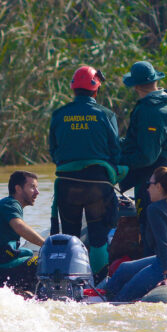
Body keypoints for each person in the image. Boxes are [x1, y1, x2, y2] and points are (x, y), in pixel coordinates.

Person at [49, 65, 122, 278]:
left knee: (70, 235)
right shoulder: (106, 114)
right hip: (98, 185)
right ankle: (101, 283)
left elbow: (53, 151)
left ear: (73, 90)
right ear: (96, 90)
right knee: (99, 236)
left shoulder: (59, 114)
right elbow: (115, 150)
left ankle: (69, 280)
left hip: (67, 183)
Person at [105, 166, 167, 302]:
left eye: (149, 184)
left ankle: (108, 301)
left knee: (124, 295)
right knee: (124, 268)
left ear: (159, 187)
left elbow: (163, 243)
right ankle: (106, 294)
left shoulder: (155, 209)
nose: (147, 189)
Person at [118, 61, 167, 227]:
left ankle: (152, 251)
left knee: (148, 223)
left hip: (153, 177)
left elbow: (147, 156)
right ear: (155, 81)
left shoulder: (151, 111)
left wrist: (119, 161)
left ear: (136, 87)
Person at [0, 170, 46, 293]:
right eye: (32, 187)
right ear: (18, 189)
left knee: (33, 253)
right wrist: (47, 244)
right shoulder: (10, 204)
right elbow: (19, 226)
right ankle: (33, 297)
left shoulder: (9, 205)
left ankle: (23, 291)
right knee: (42, 261)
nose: (37, 192)